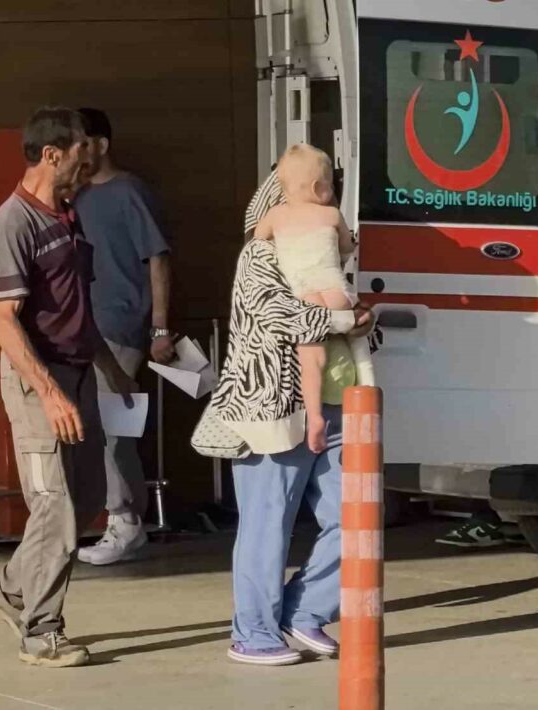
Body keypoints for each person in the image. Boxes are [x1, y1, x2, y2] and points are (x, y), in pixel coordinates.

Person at [0, 107, 136, 667]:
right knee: (56, 506)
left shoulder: (68, 214)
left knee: (87, 497)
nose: (88, 166)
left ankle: (9, 588)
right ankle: (41, 631)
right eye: (80, 156)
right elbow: (3, 321)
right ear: (51, 154)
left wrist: (109, 369)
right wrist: (48, 392)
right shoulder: (13, 224)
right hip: (37, 384)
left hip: (79, 374)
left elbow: (75, 307)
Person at [211, 169, 375, 666]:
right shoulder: (258, 256)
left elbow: (352, 326)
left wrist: (363, 318)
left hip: (340, 406)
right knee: (267, 526)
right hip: (272, 411)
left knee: (356, 519)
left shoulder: (329, 255)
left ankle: (304, 611)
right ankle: (253, 633)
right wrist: (346, 318)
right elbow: (280, 316)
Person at [72, 108, 174, 566]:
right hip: (85, 329)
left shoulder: (129, 192)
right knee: (98, 428)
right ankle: (119, 519)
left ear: (101, 144)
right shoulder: (75, 195)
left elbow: (159, 259)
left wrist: (159, 328)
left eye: (81, 142)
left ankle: (127, 523)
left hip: (120, 326)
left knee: (114, 428)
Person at [253, 144, 375, 453]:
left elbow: (257, 243)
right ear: (319, 188)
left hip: (304, 298)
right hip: (336, 291)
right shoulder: (331, 214)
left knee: (312, 361)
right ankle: (369, 393)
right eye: (331, 185)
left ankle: (315, 416)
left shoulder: (275, 215)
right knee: (358, 336)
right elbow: (347, 248)